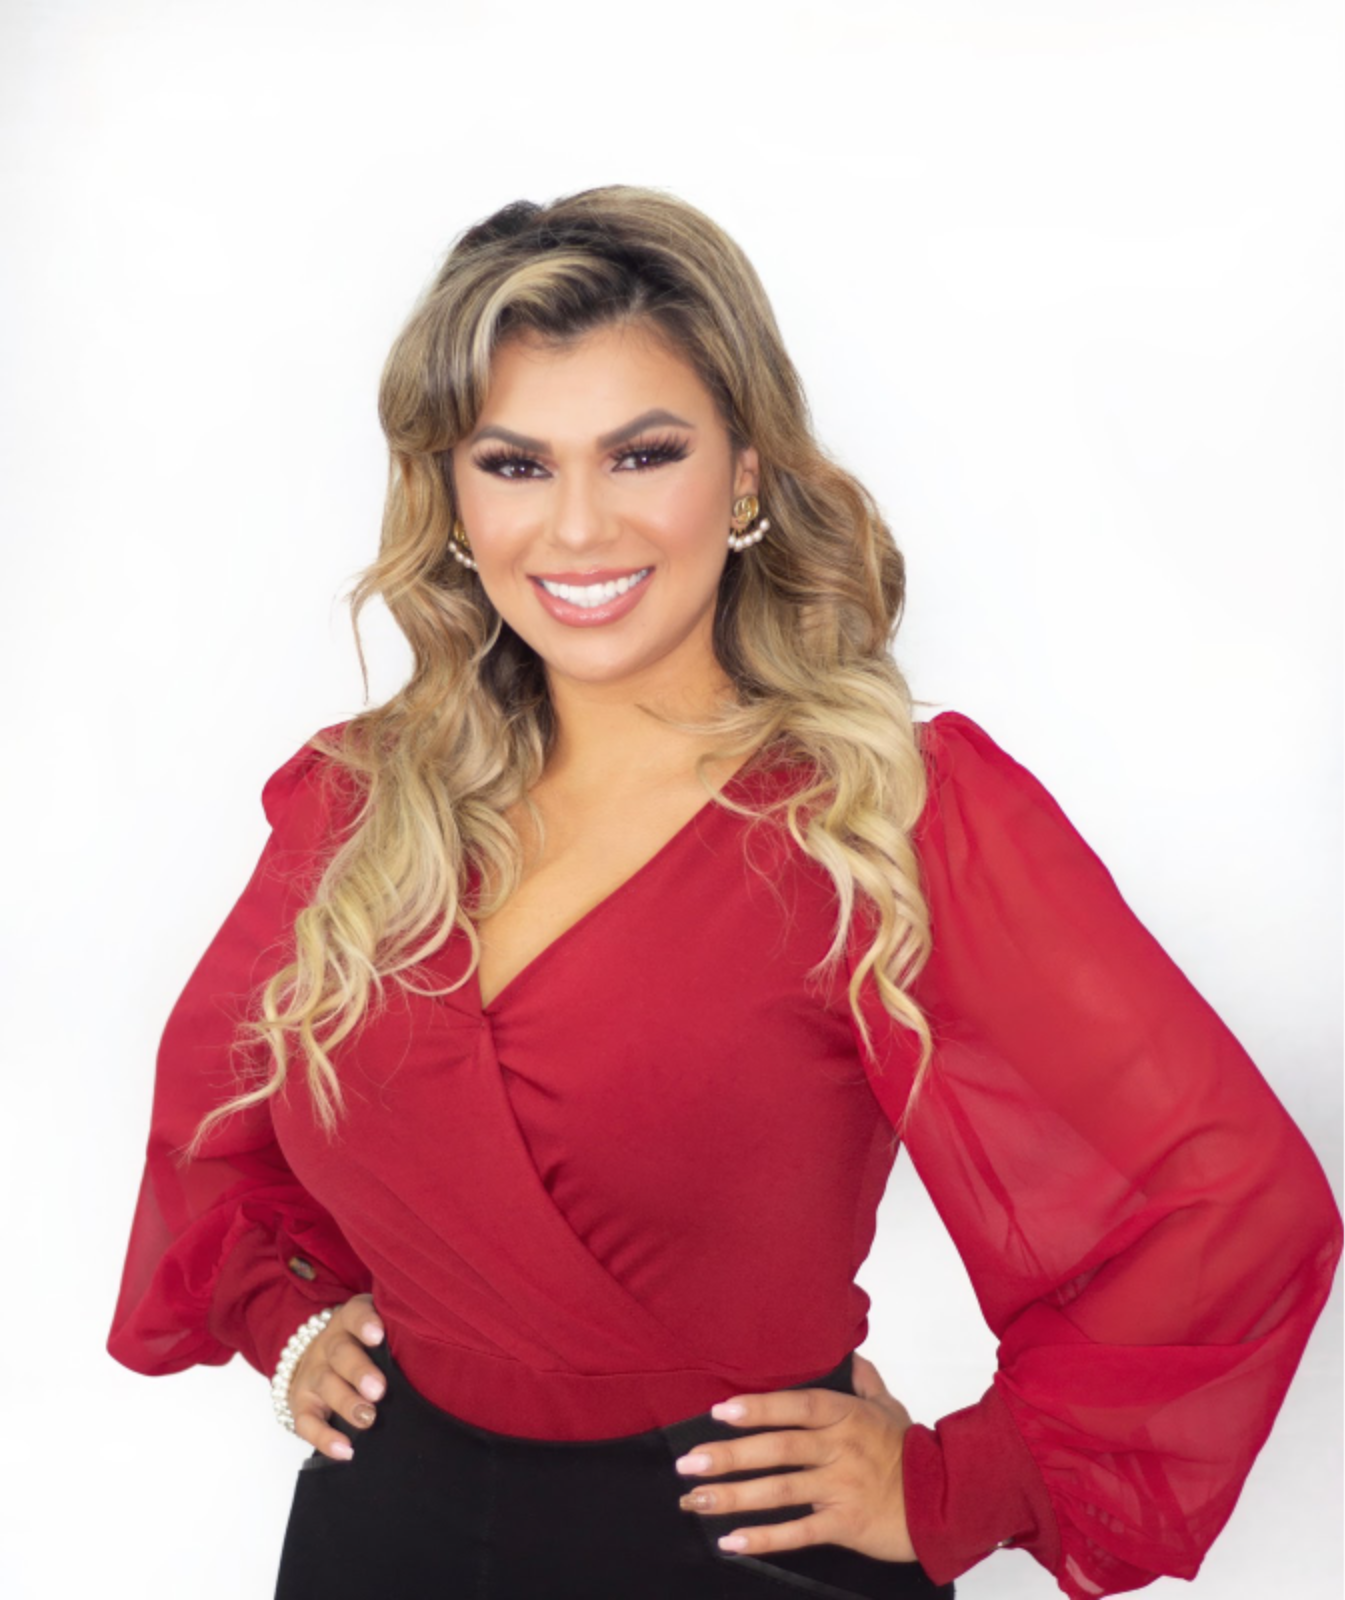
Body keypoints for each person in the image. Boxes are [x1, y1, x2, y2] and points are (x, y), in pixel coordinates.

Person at [106, 184, 1342, 1600]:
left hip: (743, 1551)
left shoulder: (887, 813)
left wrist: (961, 1479)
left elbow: (1229, 1202)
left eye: (643, 454)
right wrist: (288, 1319)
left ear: (745, 476)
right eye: (516, 464)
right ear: (451, 496)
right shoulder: (359, 807)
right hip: (386, 1534)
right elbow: (217, 1127)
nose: (578, 527)